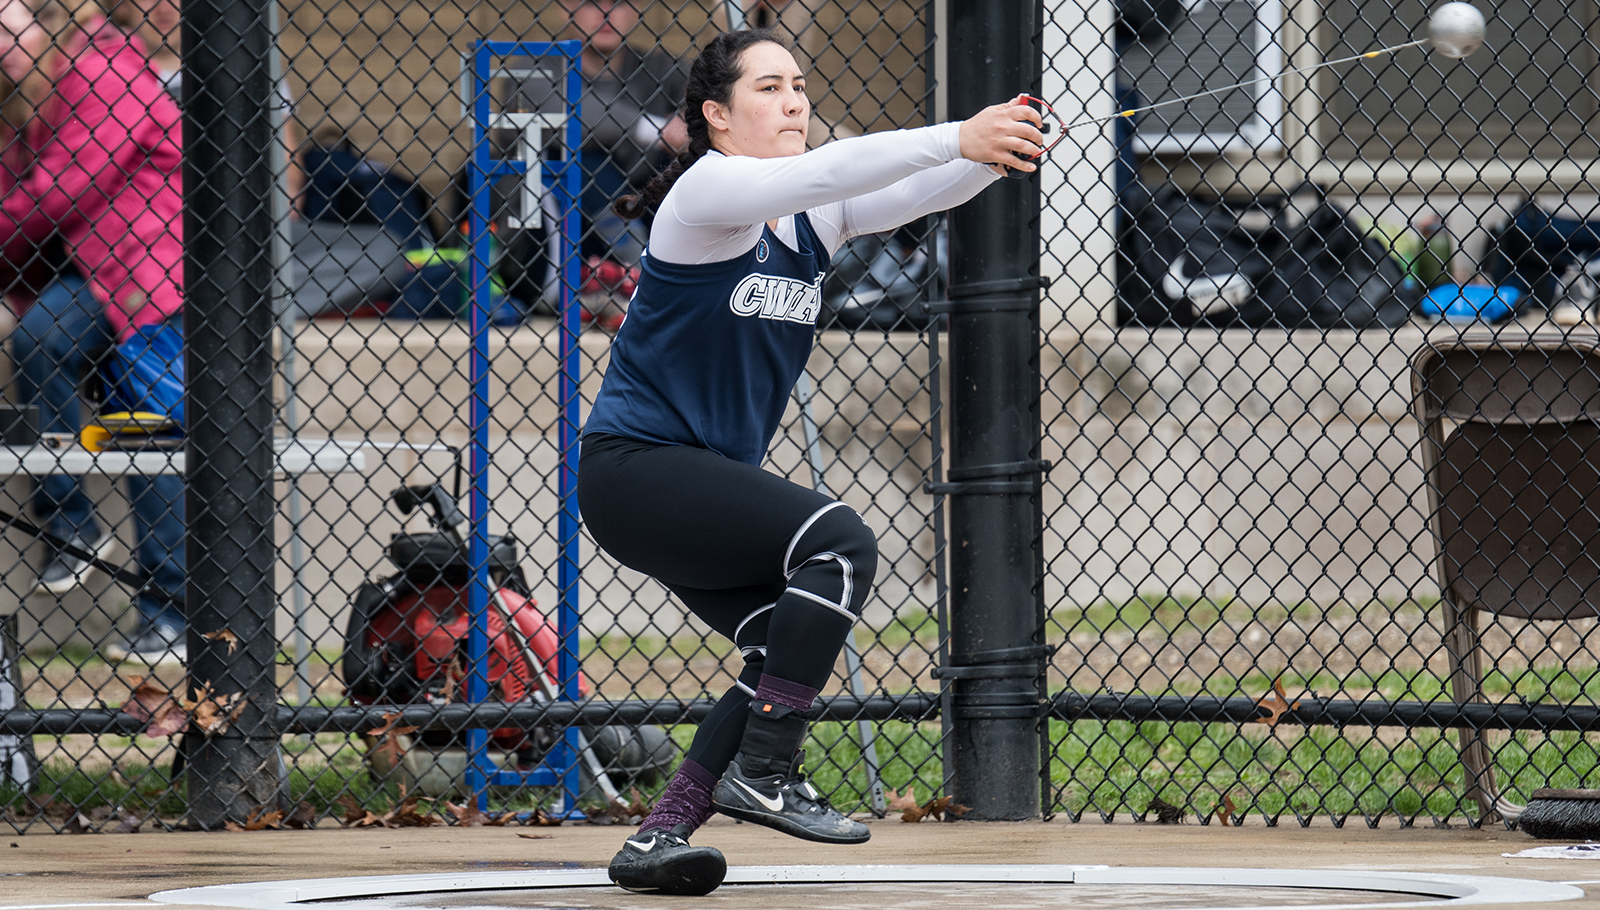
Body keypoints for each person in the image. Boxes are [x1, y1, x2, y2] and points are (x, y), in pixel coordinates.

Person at [576, 27, 1042, 896]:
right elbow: (834, 168)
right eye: (768, 88)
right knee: (841, 543)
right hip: (636, 470)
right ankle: (765, 772)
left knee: (778, 645)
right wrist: (957, 132)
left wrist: (997, 147)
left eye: (798, 85)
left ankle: (659, 836)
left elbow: (911, 189)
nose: (793, 101)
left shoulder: (813, 215)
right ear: (717, 115)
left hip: (700, 483)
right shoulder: (707, 191)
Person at [0, 0, 187, 663]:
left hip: (151, 269)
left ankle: (170, 612)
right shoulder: (28, 87)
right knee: (43, 344)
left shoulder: (102, 66)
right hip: (92, 272)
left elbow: (61, 190)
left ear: (49, 18)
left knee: (146, 427)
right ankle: (72, 526)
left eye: (7, 23)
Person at [509, 0, 687, 329]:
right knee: (582, 159)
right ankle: (648, 280)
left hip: (642, 212)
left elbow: (702, 115)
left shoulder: (661, 68)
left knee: (682, 167)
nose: (605, 14)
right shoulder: (536, 67)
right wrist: (658, 130)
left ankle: (643, 279)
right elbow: (566, 111)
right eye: (592, 2)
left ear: (634, 8)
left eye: (617, 3)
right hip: (555, 240)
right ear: (566, 8)